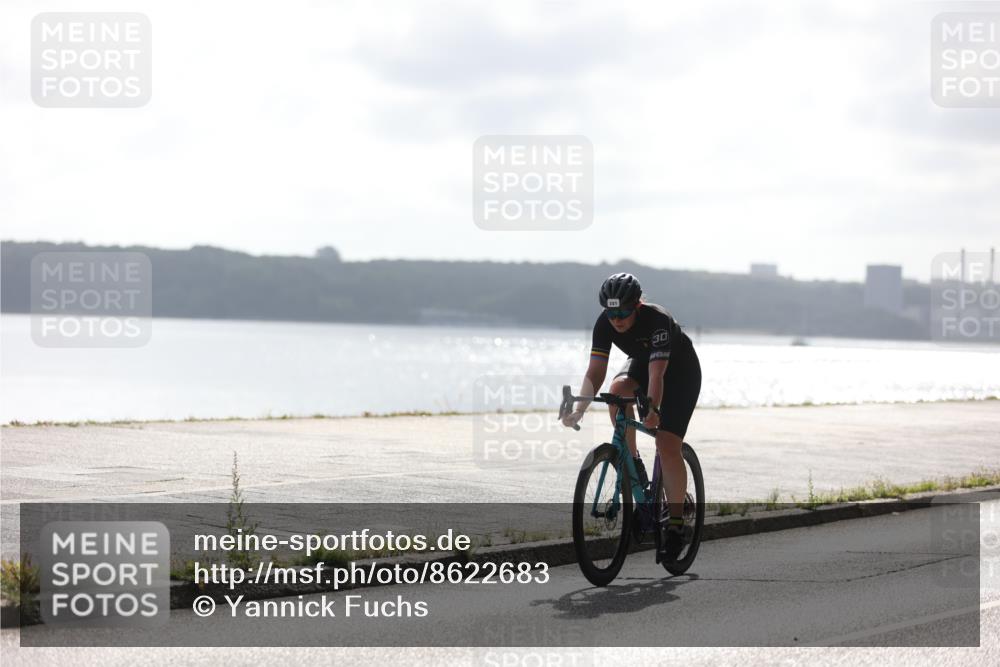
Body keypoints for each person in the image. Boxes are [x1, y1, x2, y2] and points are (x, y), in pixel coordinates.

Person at [561, 272, 702, 561]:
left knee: (666, 444)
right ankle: (635, 467)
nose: (617, 319)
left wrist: (652, 409)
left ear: (637, 305)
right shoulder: (604, 324)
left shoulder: (658, 320)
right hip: (644, 363)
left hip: (679, 372)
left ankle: (675, 524)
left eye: (623, 311)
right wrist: (579, 410)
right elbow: (596, 372)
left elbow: (657, 374)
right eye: (611, 312)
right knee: (617, 393)